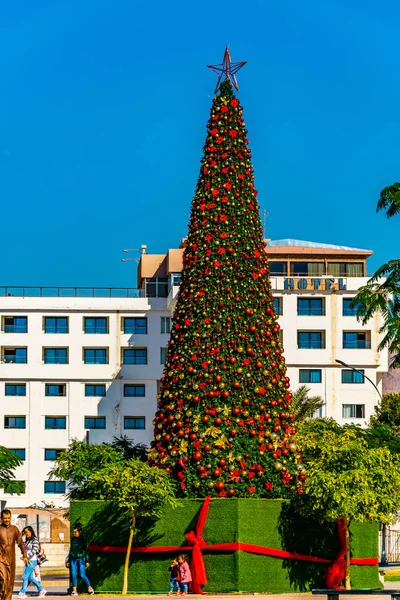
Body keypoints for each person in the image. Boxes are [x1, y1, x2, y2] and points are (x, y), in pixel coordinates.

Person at [0, 509, 28, 600]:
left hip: (11, 560)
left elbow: (21, 543)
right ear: (1, 518)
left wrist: (25, 555)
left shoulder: (14, 529)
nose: (7, 520)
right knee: (3, 579)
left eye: (8, 518)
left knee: (10, 583)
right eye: (5, 518)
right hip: (1, 559)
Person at [18, 526, 46, 598]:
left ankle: (23, 592)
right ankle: (41, 589)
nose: (26, 534)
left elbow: (35, 550)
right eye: (25, 533)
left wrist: (27, 556)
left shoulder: (35, 539)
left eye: (27, 532)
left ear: (31, 531)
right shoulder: (28, 540)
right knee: (31, 578)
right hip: (28, 561)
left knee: (25, 576)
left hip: (32, 560)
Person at [66, 523, 94, 596]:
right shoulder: (73, 539)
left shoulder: (83, 539)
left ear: (79, 532)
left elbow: (86, 550)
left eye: (75, 532)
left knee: (82, 574)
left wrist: (87, 560)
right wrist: (69, 560)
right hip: (73, 559)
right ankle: (74, 590)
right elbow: (71, 549)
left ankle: (90, 588)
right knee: (73, 574)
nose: (74, 533)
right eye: (73, 532)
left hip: (81, 559)